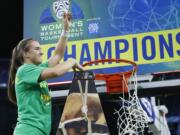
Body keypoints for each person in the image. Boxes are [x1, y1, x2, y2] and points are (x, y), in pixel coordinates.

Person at [7, 12, 83, 135]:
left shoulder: (37, 69)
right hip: (29, 131)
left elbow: (57, 55)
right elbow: (57, 71)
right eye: (37, 49)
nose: (41, 52)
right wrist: (71, 61)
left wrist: (66, 29)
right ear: (25, 54)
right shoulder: (24, 70)